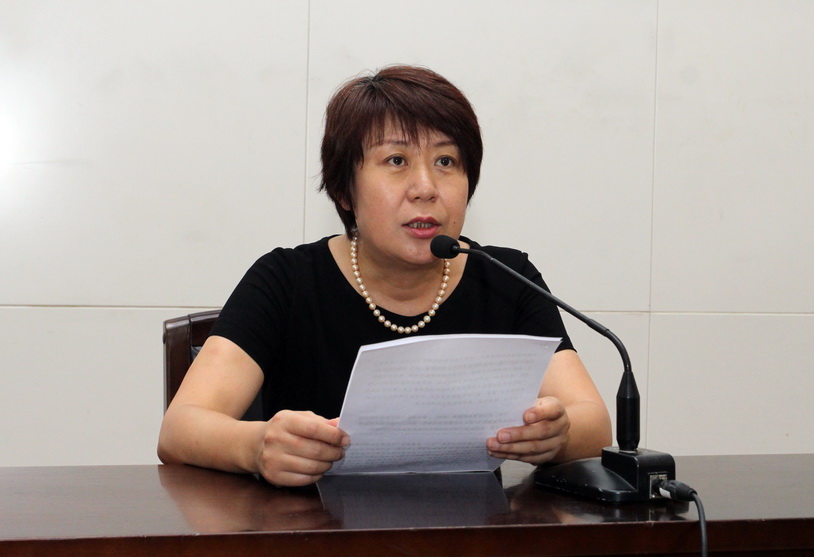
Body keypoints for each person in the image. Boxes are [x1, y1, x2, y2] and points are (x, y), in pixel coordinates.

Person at [157, 65, 612, 487]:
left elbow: (594, 423)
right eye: (396, 160)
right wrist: (256, 446)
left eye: (446, 161)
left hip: (471, 532)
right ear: (344, 189)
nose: (425, 188)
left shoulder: (506, 278)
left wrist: (558, 435)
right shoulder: (286, 281)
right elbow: (180, 428)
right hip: (311, 531)